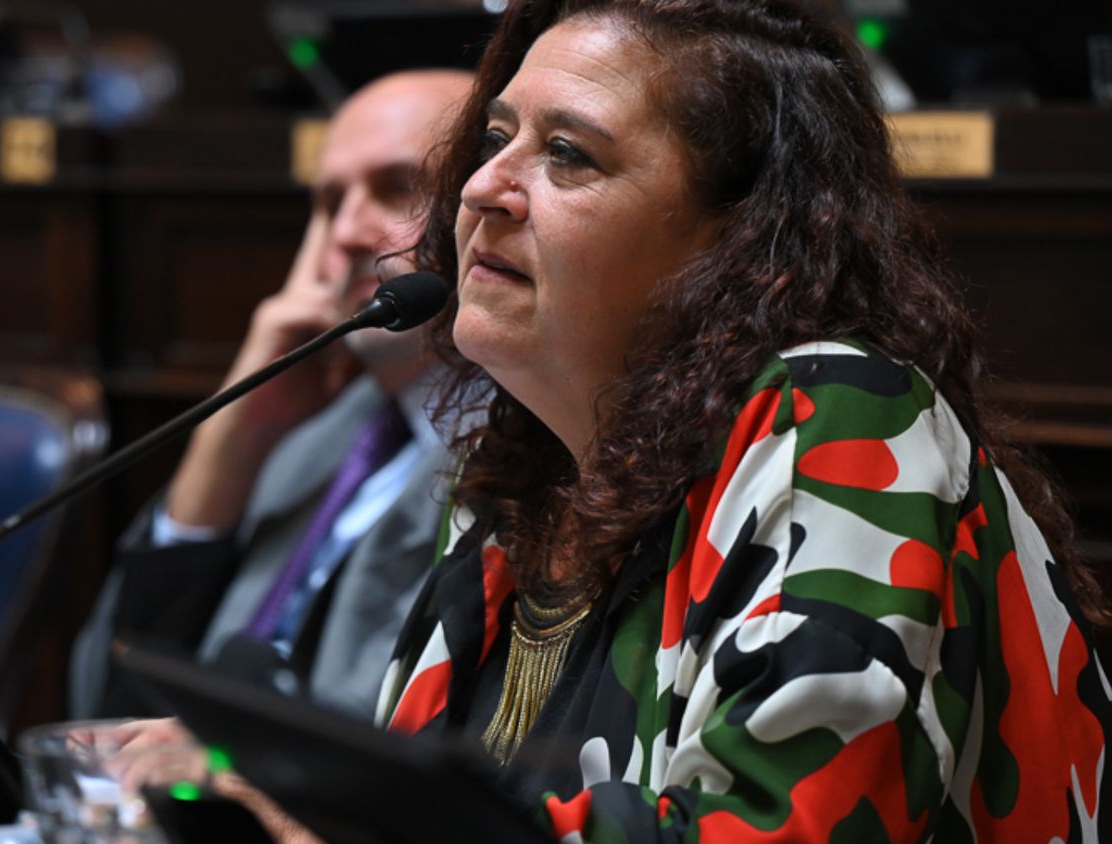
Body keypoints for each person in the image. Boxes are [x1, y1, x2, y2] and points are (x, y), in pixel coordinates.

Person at [367, 0, 1112, 841]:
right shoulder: (514, 488)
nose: (480, 187)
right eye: (497, 139)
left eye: (567, 154)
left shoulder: (842, 417)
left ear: (737, 239)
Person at [71, 69, 473, 720]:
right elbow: (101, 700)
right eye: (327, 203)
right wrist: (227, 450)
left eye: (398, 188)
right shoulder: (310, 433)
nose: (345, 234)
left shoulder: (517, 458)